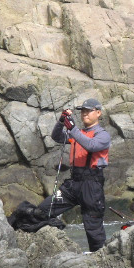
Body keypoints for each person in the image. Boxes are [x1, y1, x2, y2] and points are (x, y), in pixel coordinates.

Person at [35, 98, 111, 252]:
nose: (84, 114)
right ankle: (54, 241)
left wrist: (73, 128)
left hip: (92, 185)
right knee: (43, 209)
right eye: (83, 111)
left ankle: (100, 258)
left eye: (88, 111)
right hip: (73, 184)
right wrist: (62, 122)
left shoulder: (103, 135)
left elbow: (91, 145)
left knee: (93, 228)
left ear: (98, 113)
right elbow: (56, 137)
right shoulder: (78, 133)